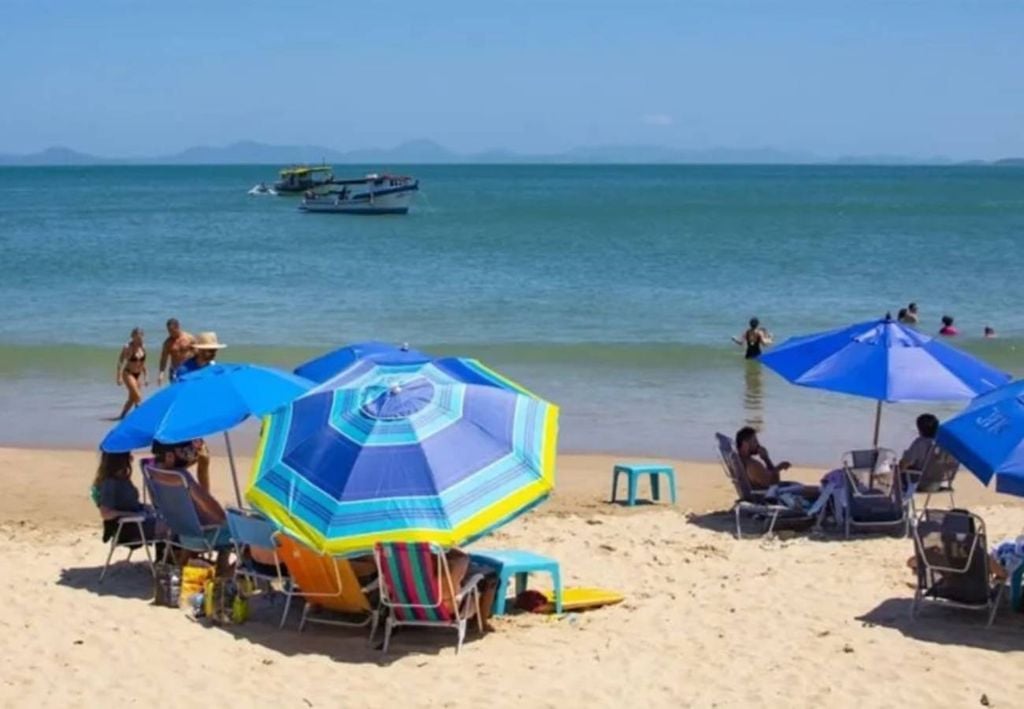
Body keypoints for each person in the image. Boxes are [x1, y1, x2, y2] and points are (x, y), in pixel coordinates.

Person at [93, 451, 160, 546]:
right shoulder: (110, 483)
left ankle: (166, 557)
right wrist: (133, 514)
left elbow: (128, 503)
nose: (131, 458)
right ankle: (168, 558)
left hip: (137, 521)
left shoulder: (122, 479)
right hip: (130, 528)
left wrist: (144, 507)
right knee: (173, 527)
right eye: (128, 455)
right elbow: (106, 513)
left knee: (169, 520)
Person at [116, 327, 147, 419]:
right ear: (132, 336)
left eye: (140, 336)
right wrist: (118, 377)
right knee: (138, 396)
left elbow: (143, 363)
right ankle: (140, 418)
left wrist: (146, 376)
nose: (139, 338)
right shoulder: (127, 347)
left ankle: (121, 417)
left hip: (138, 374)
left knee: (132, 399)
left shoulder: (143, 347)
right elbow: (120, 361)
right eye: (136, 336)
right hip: (128, 373)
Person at [899, 414, 939, 487]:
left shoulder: (919, 443)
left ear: (920, 429)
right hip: (936, 483)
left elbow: (906, 463)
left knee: (896, 470)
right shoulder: (940, 444)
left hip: (918, 481)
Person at [158, 318, 195, 385]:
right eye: (169, 331)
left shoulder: (189, 338)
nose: (170, 333)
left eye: (172, 331)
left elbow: (197, 352)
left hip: (189, 368)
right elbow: (164, 359)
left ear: (178, 327)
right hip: (175, 371)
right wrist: (161, 373)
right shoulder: (167, 343)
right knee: (176, 391)